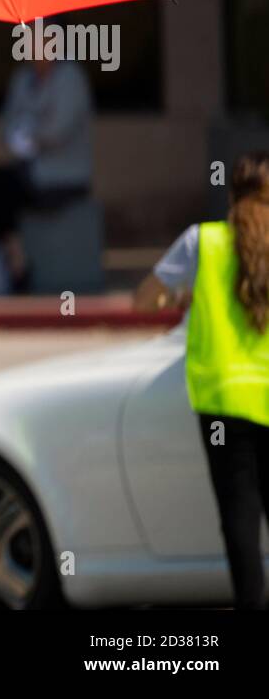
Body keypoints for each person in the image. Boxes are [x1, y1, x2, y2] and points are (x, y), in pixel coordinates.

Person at [135, 152, 269, 609]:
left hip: (223, 403)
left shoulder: (203, 243)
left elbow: (143, 300)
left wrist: (178, 296)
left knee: (240, 516)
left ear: (232, 196)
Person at [0, 35, 92, 290]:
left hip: (63, 177)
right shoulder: (22, 79)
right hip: (29, 171)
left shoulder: (70, 77)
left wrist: (29, 133)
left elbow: (57, 130)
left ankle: (15, 264)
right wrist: (22, 135)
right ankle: (14, 259)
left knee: (0, 184)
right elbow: (8, 125)